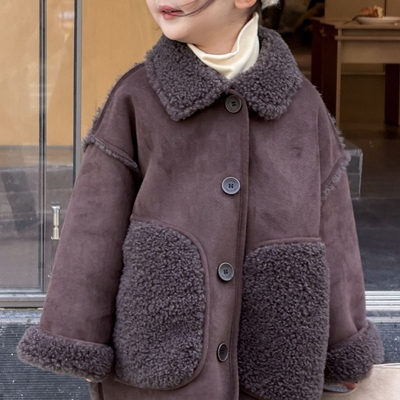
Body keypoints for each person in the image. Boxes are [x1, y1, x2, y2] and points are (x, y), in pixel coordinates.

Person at [16, 1, 384, 399]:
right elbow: (93, 226)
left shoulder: (303, 108)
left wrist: (344, 346)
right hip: (157, 369)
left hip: (272, 369)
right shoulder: (137, 97)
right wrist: (74, 334)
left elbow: (335, 231)